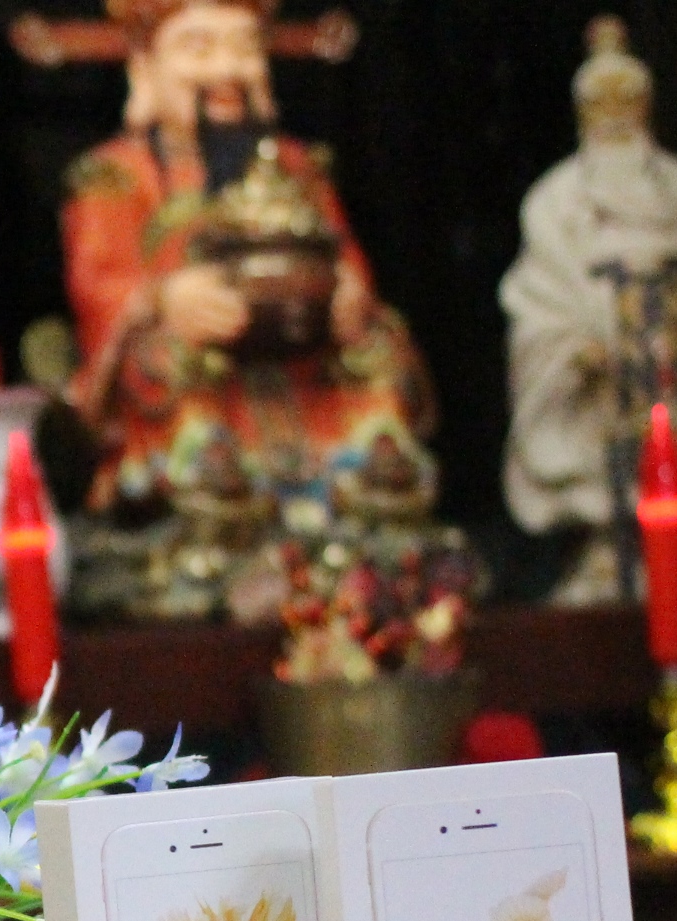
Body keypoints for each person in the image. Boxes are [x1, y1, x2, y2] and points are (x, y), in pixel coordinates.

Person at [60, 0, 433, 527]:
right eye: (199, 49)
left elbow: (343, 254)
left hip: (302, 361)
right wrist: (164, 298)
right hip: (203, 367)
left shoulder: (299, 166)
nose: (227, 70)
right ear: (144, 71)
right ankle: (204, 481)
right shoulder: (117, 176)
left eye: (245, 48)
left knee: (378, 347)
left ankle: (372, 478)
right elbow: (99, 284)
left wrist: (348, 292)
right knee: (161, 359)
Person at [501, 17, 677, 604]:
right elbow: (539, 295)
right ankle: (606, 550)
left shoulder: (672, 185)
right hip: (601, 379)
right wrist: (575, 348)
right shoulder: (556, 200)